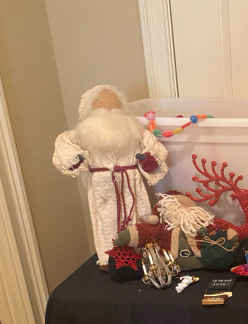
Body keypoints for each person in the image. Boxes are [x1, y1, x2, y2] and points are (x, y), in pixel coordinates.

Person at [52, 84, 168, 267]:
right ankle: (110, 258)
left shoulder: (134, 131)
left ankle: (140, 254)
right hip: (102, 186)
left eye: (113, 105)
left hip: (131, 182)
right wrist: (77, 158)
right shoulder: (82, 134)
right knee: (106, 220)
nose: (108, 109)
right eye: (101, 105)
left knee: (136, 215)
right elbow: (64, 145)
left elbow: (154, 149)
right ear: (90, 109)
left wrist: (148, 159)